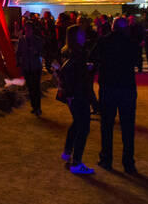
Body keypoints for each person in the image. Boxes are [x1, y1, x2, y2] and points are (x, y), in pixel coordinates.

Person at [90, 17, 141, 173]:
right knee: (128, 127)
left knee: (106, 125)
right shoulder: (131, 42)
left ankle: (106, 159)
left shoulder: (103, 41)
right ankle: (128, 162)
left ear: (112, 27)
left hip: (108, 86)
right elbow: (137, 61)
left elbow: (92, 57)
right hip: (127, 87)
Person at [58, 26, 94, 175]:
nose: (84, 35)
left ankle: (68, 151)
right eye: (81, 33)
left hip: (73, 95)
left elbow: (66, 71)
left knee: (77, 123)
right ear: (76, 37)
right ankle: (77, 162)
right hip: (78, 95)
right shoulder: (79, 53)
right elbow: (71, 73)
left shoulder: (69, 52)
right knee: (83, 127)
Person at [15, 21, 45, 116]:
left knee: (36, 88)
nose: (27, 31)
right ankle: (34, 107)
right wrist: (19, 62)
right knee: (30, 88)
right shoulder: (22, 40)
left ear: (32, 30)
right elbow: (18, 52)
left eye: (29, 29)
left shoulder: (37, 40)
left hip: (35, 67)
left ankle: (38, 107)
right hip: (27, 67)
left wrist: (35, 51)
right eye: (26, 29)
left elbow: (42, 52)